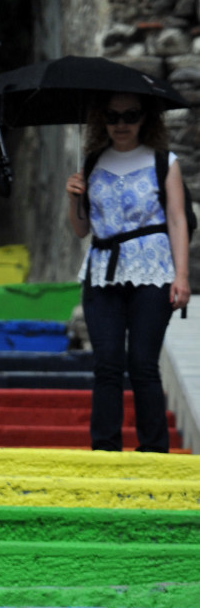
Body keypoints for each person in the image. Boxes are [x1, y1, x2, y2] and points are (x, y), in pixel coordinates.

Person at [66, 90, 190, 453]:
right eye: (112, 116)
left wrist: (181, 276)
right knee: (106, 363)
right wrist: (74, 198)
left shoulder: (164, 162)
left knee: (142, 362)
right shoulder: (90, 163)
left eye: (130, 115)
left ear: (144, 118)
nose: (121, 124)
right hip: (102, 271)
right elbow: (80, 230)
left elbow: (178, 220)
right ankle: (105, 448)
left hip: (152, 269)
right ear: (101, 120)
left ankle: (154, 451)